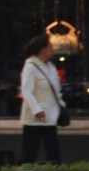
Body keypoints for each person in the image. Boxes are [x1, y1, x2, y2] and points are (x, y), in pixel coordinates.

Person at [19, 33, 65, 164]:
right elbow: (26, 91)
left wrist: (61, 106)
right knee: (29, 152)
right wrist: (36, 110)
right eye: (50, 46)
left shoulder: (51, 67)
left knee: (53, 152)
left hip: (51, 117)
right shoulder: (30, 67)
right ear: (42, 50)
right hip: (35, 119)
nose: (53, 49)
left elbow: (56, 90)